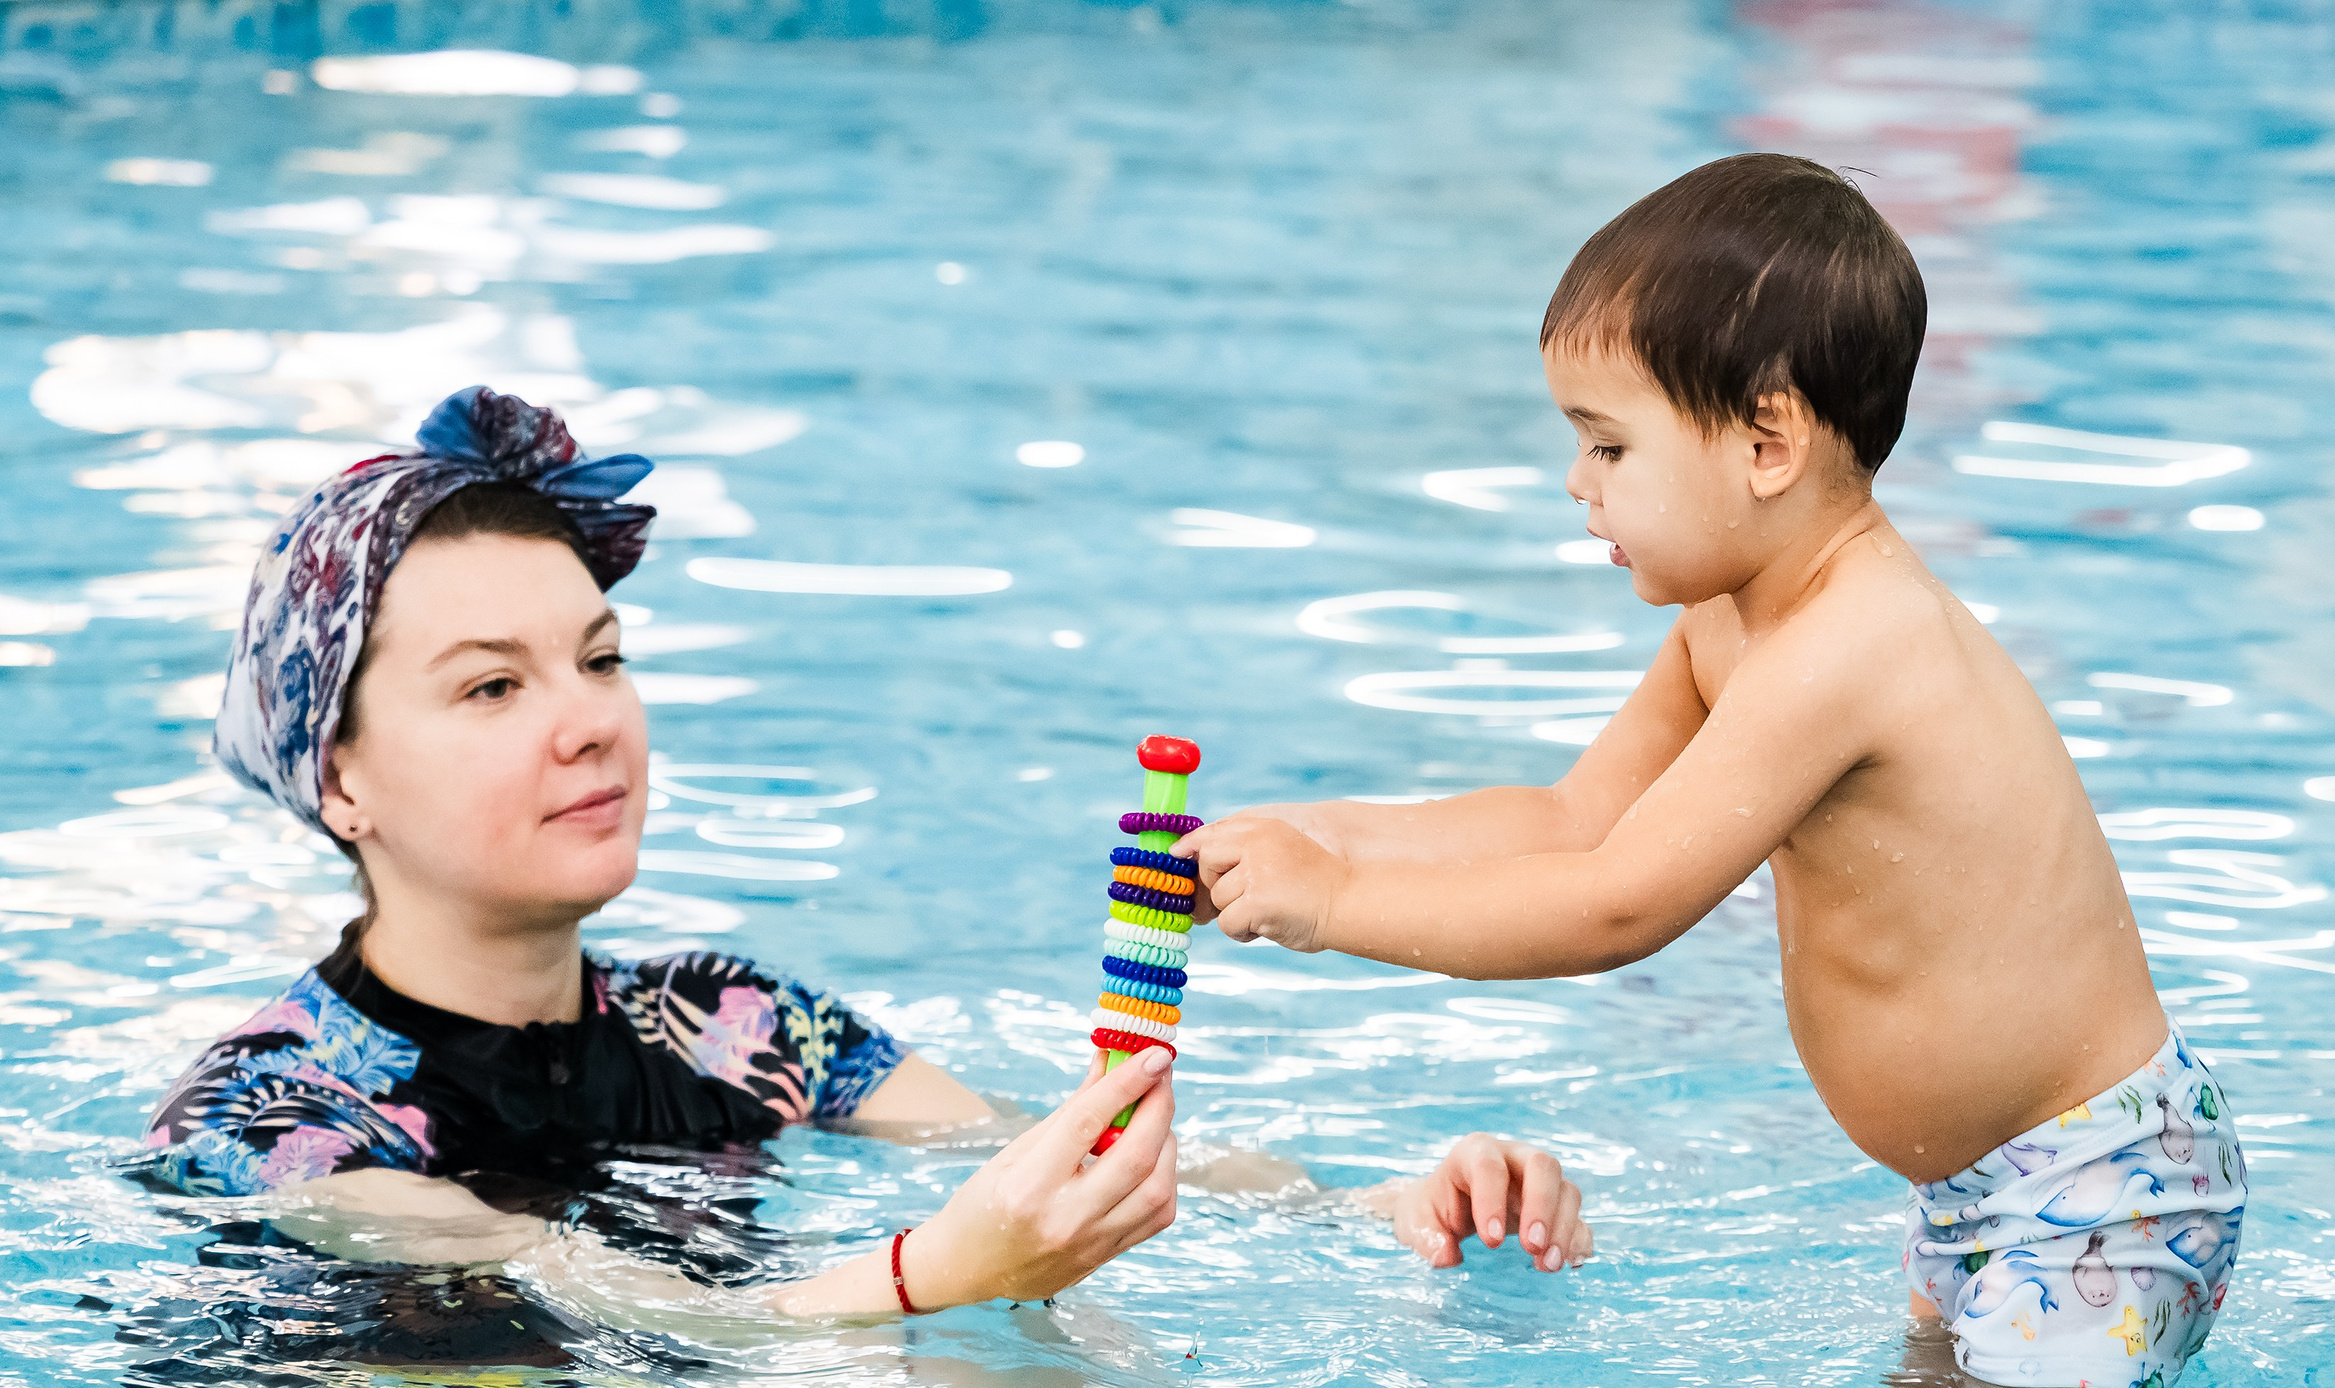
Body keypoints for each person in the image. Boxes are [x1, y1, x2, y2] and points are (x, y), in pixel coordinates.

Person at [144, 385, 1589, 1327]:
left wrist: (1376, 1204)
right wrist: (930, 1275)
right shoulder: (269, 1112)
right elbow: (610, 1307)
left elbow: (1018, 1155)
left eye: (601, 659)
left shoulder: (732, 1020)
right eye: (492, 688)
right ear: (338, 778)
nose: (590, 724)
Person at [1182, 154, 2245, 1388]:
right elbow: (1569, 818)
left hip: (2098, 1190)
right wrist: (1309, 837)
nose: (1576, 482)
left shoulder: (1853, 644)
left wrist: (1331, 909)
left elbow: (1617, 903)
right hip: (1980, 1189)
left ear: (1764, 442)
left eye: (1607, 444)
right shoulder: (1730, 624)